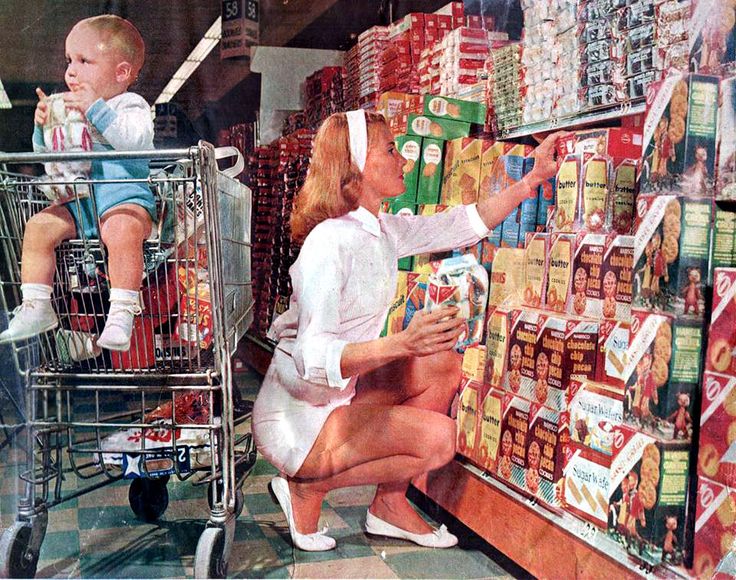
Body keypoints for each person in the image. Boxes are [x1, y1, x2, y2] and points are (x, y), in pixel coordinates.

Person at [252, 108, 565, 551]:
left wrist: (531, 180)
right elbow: (312, 356)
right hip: (298, 416)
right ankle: (308, 485)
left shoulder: (380, 230)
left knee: (440, 365)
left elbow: (461, 224)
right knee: (441, 441)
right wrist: (401, 343)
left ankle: (389, 506)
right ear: (357, 165)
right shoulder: (329, 242)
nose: (405, 160)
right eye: (391, 149)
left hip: (334, 397)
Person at [0, 15, 154, 351]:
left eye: (84, 61)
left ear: (122, 73)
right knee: (39, 226)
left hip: (125, 200)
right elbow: (52, 157)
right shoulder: (70, 108)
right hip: (82, 202)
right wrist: (43, 128)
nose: (71, 71)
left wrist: (95, 110)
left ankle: (122, 312)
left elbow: (133, 142)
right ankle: (36, 305)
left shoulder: (131, 106)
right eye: (69, 60)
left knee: (121, 231)